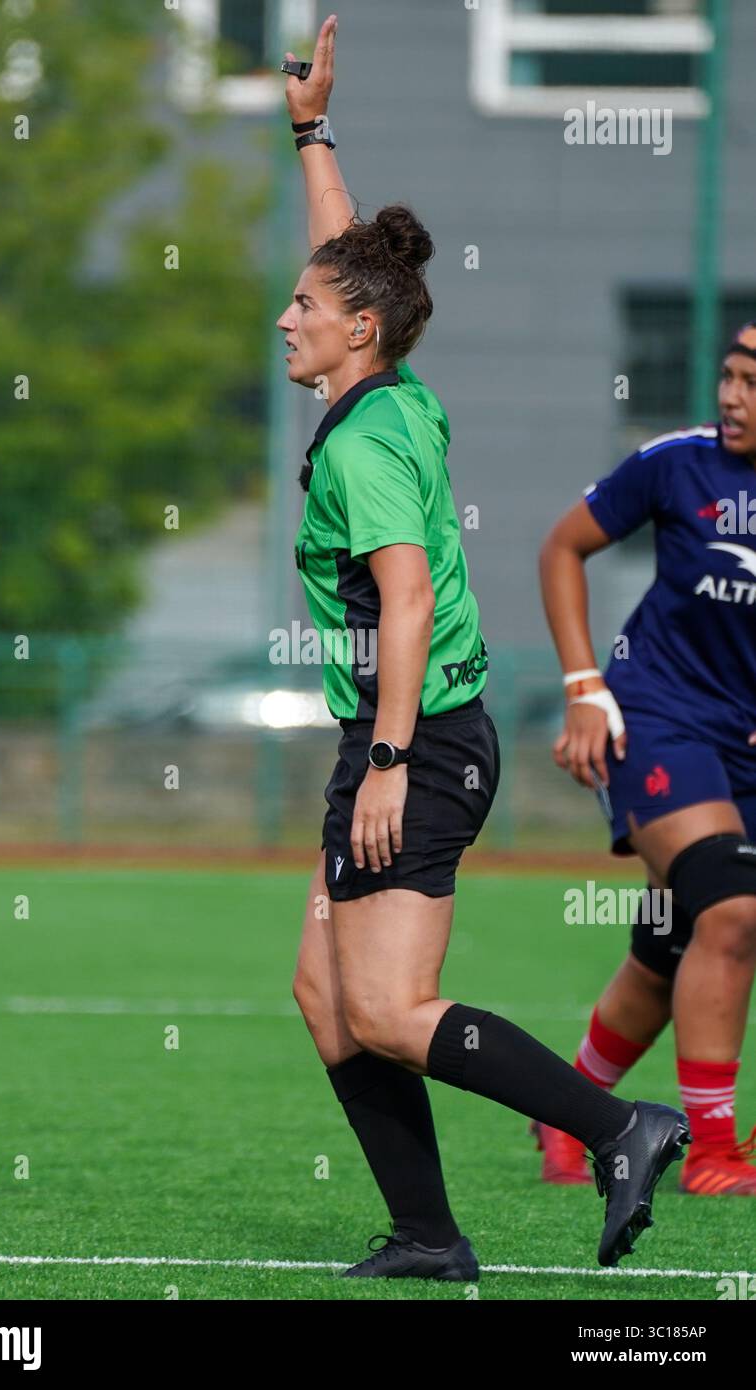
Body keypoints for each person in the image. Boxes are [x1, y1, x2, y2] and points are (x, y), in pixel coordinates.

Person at [280, 15, 689, 1280]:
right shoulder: (388, 383)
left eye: (304, 306)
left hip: (423, 739)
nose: (286, 317)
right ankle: (426, 1233)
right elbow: (344, 259)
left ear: (357, 329)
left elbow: (402, 602)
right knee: (325, 997)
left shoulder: (360, 442)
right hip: (408, 730)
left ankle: (620, 1124)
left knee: (391, 1012)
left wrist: (390, 759)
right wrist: (311, 133)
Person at [537, 323, 756, 1195]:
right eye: (731, 376)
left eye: (753, 382)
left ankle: (569, 1111)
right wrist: (585, 687)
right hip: (659, 721)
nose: (732, 395)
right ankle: (712, 1147)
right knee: (734, 914)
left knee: (671, 949)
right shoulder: (676, 463)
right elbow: (563, 547)